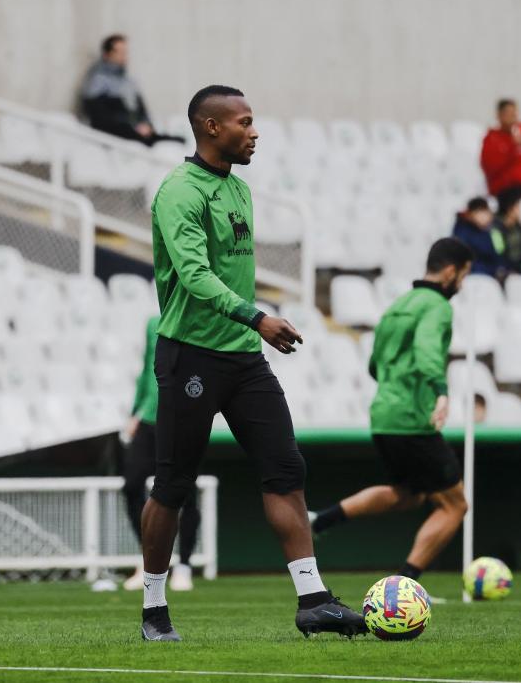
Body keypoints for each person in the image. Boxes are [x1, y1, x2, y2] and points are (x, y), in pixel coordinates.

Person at [140, 84, 364, 642]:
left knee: (286, 469)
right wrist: (256, 316)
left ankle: (312, 599)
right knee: (173, 485)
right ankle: (153, 607)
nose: (255, 131)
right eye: (245, 122)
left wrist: (250, 328)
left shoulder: (239, 190)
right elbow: (193, 276)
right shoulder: (178, 193)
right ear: (211, 127)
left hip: (243, 358)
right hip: (191, 355)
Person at [309, 238, 473, 585]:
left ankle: (320, 521)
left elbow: (374, 364)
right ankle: (405, 583)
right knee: (455, 505)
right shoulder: (437, 306)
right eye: (463, 275)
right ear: (449, 272)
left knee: (408, 495)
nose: (462, 283)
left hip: (384, 414)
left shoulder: (398, 305)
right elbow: (428, 349)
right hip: (414, 418)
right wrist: (440, 391)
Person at [121, 315, 200, 593]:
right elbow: (146, 368)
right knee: (131, 485)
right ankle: (150, 561)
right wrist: (135, 412)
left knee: (185, 493)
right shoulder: (153, 322)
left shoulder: (196, 321)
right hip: (150, 419)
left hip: (182, 418)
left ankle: (184, 565)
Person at [80, 34, 182, 147]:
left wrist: (147, 125)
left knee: (178, 141)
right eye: (120, 52)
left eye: (126, 52)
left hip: (136, 131)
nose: (125, 56)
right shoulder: (97, 81)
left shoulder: (129, 81)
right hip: (118, 134)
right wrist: (133, 127)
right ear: (107, 54)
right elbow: (99, 118)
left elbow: (142, 110)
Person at [452, 197, 506, 279]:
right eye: (482, 212)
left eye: (488, 212)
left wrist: (501, 268)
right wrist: (493, 270)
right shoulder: (462, 231)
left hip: (493, 274)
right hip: (474, 277)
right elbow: (465, 261)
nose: (488, 216)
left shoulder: (494, 230)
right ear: (471, 214)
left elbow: (499, 253)